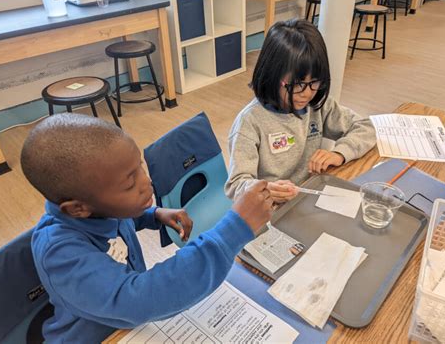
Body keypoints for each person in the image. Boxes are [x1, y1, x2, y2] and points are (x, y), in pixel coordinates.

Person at [21, 113, 273, 343]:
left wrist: (153, 214)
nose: (147, 183)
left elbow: (119, 218)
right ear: (77, 209)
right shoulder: (60, 253)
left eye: (139, 168)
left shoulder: (96, 207)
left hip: (131, 326)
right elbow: (137, 299)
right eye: (130, 184)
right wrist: (232, 230)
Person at [225, 19, 376, 204]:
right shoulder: (249, 122)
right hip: (271, 209)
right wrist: (265, 190)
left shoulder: (317, 106)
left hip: (309, 198)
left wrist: (340, 154)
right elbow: (235, 185)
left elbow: (367, 127)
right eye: (298, 84)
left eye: (314, 82)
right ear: (272, 75)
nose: (307, 93)